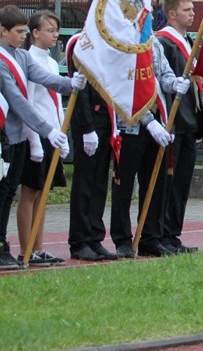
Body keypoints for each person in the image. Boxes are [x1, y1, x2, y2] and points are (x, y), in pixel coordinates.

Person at [0, 5, 83, 269]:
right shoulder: (3, 62)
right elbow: (18, 101)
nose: (22, 35)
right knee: (5, 194)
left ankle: (6, 247)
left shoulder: (21, 57)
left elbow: (44, 78)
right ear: (3, 31)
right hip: (7, 134)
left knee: (10, 190)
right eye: (18, 31)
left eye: (24, 30)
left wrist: (70, 83)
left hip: (19, 137)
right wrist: (46, 130)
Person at [110, 38, 182, 258]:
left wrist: (174, 83)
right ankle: (122, 240)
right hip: (130, 125)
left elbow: (163, 73)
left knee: (156, 183)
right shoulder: (121, 44)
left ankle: (150, 237)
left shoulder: (153, 43)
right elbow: (122, 88)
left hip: (159, 123)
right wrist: (147, 120)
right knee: (124, 185)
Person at [155, 0, 203, 253]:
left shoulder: (187, 41)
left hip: (189, 121)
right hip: (173, 121)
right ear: (172, 14)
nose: (193, 13)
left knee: (183, 182)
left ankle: (173, 234)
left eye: (193, 9)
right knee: (169, 181)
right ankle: (161, 233)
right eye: (187, 10)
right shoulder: (163, 42)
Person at [17, 11, 67, 266]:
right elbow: (30, 102)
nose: (54, 35)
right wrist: (35, 140)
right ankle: (26, 248)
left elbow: (55, 102)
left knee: (43, 191)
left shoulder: (50, 61)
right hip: (35, 134)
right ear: (35, 33)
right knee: (30, 191)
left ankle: (39, 247)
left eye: (56, 30)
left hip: (51, 134)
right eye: (49, 30)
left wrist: (61, 134)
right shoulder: (29, 60)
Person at [65, 30, 118, 262]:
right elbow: (81, 90)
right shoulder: (81, 42)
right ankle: (79, 241)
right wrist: (87, 127)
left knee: (99, 183)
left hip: (106, 119)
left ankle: (94, 237)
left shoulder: (106, 43)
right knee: (85, 182)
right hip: (89, 121)